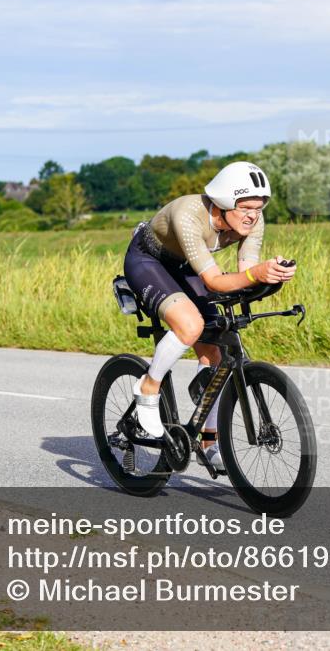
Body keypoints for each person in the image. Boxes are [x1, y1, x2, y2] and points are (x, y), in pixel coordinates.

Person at [122, 161, 296, 473]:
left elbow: (245, 273)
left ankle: (207, 440)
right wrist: (257, 274)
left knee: (216, 352)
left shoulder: (252, 221)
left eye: (259, 207)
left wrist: (270, 276)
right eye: (245, 207)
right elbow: (216, 282)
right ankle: (147, 389)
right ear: (224, 203)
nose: (253, 215)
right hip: (148, 260)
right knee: (190, 325)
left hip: (187, 266)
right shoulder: (188, 214)